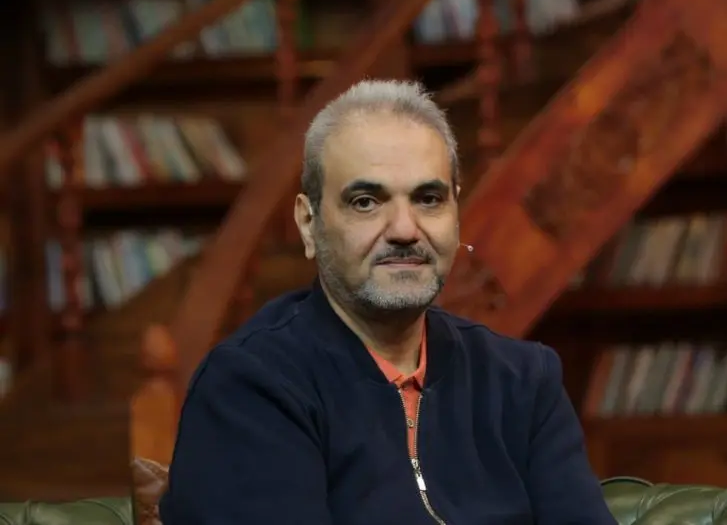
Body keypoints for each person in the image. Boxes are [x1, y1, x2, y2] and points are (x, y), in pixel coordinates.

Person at [159, 79, 616, 525]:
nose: (404, 229)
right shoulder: (250, 387)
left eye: (428, 199)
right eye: (365, 202)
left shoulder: (523, 381)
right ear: (308, 223)